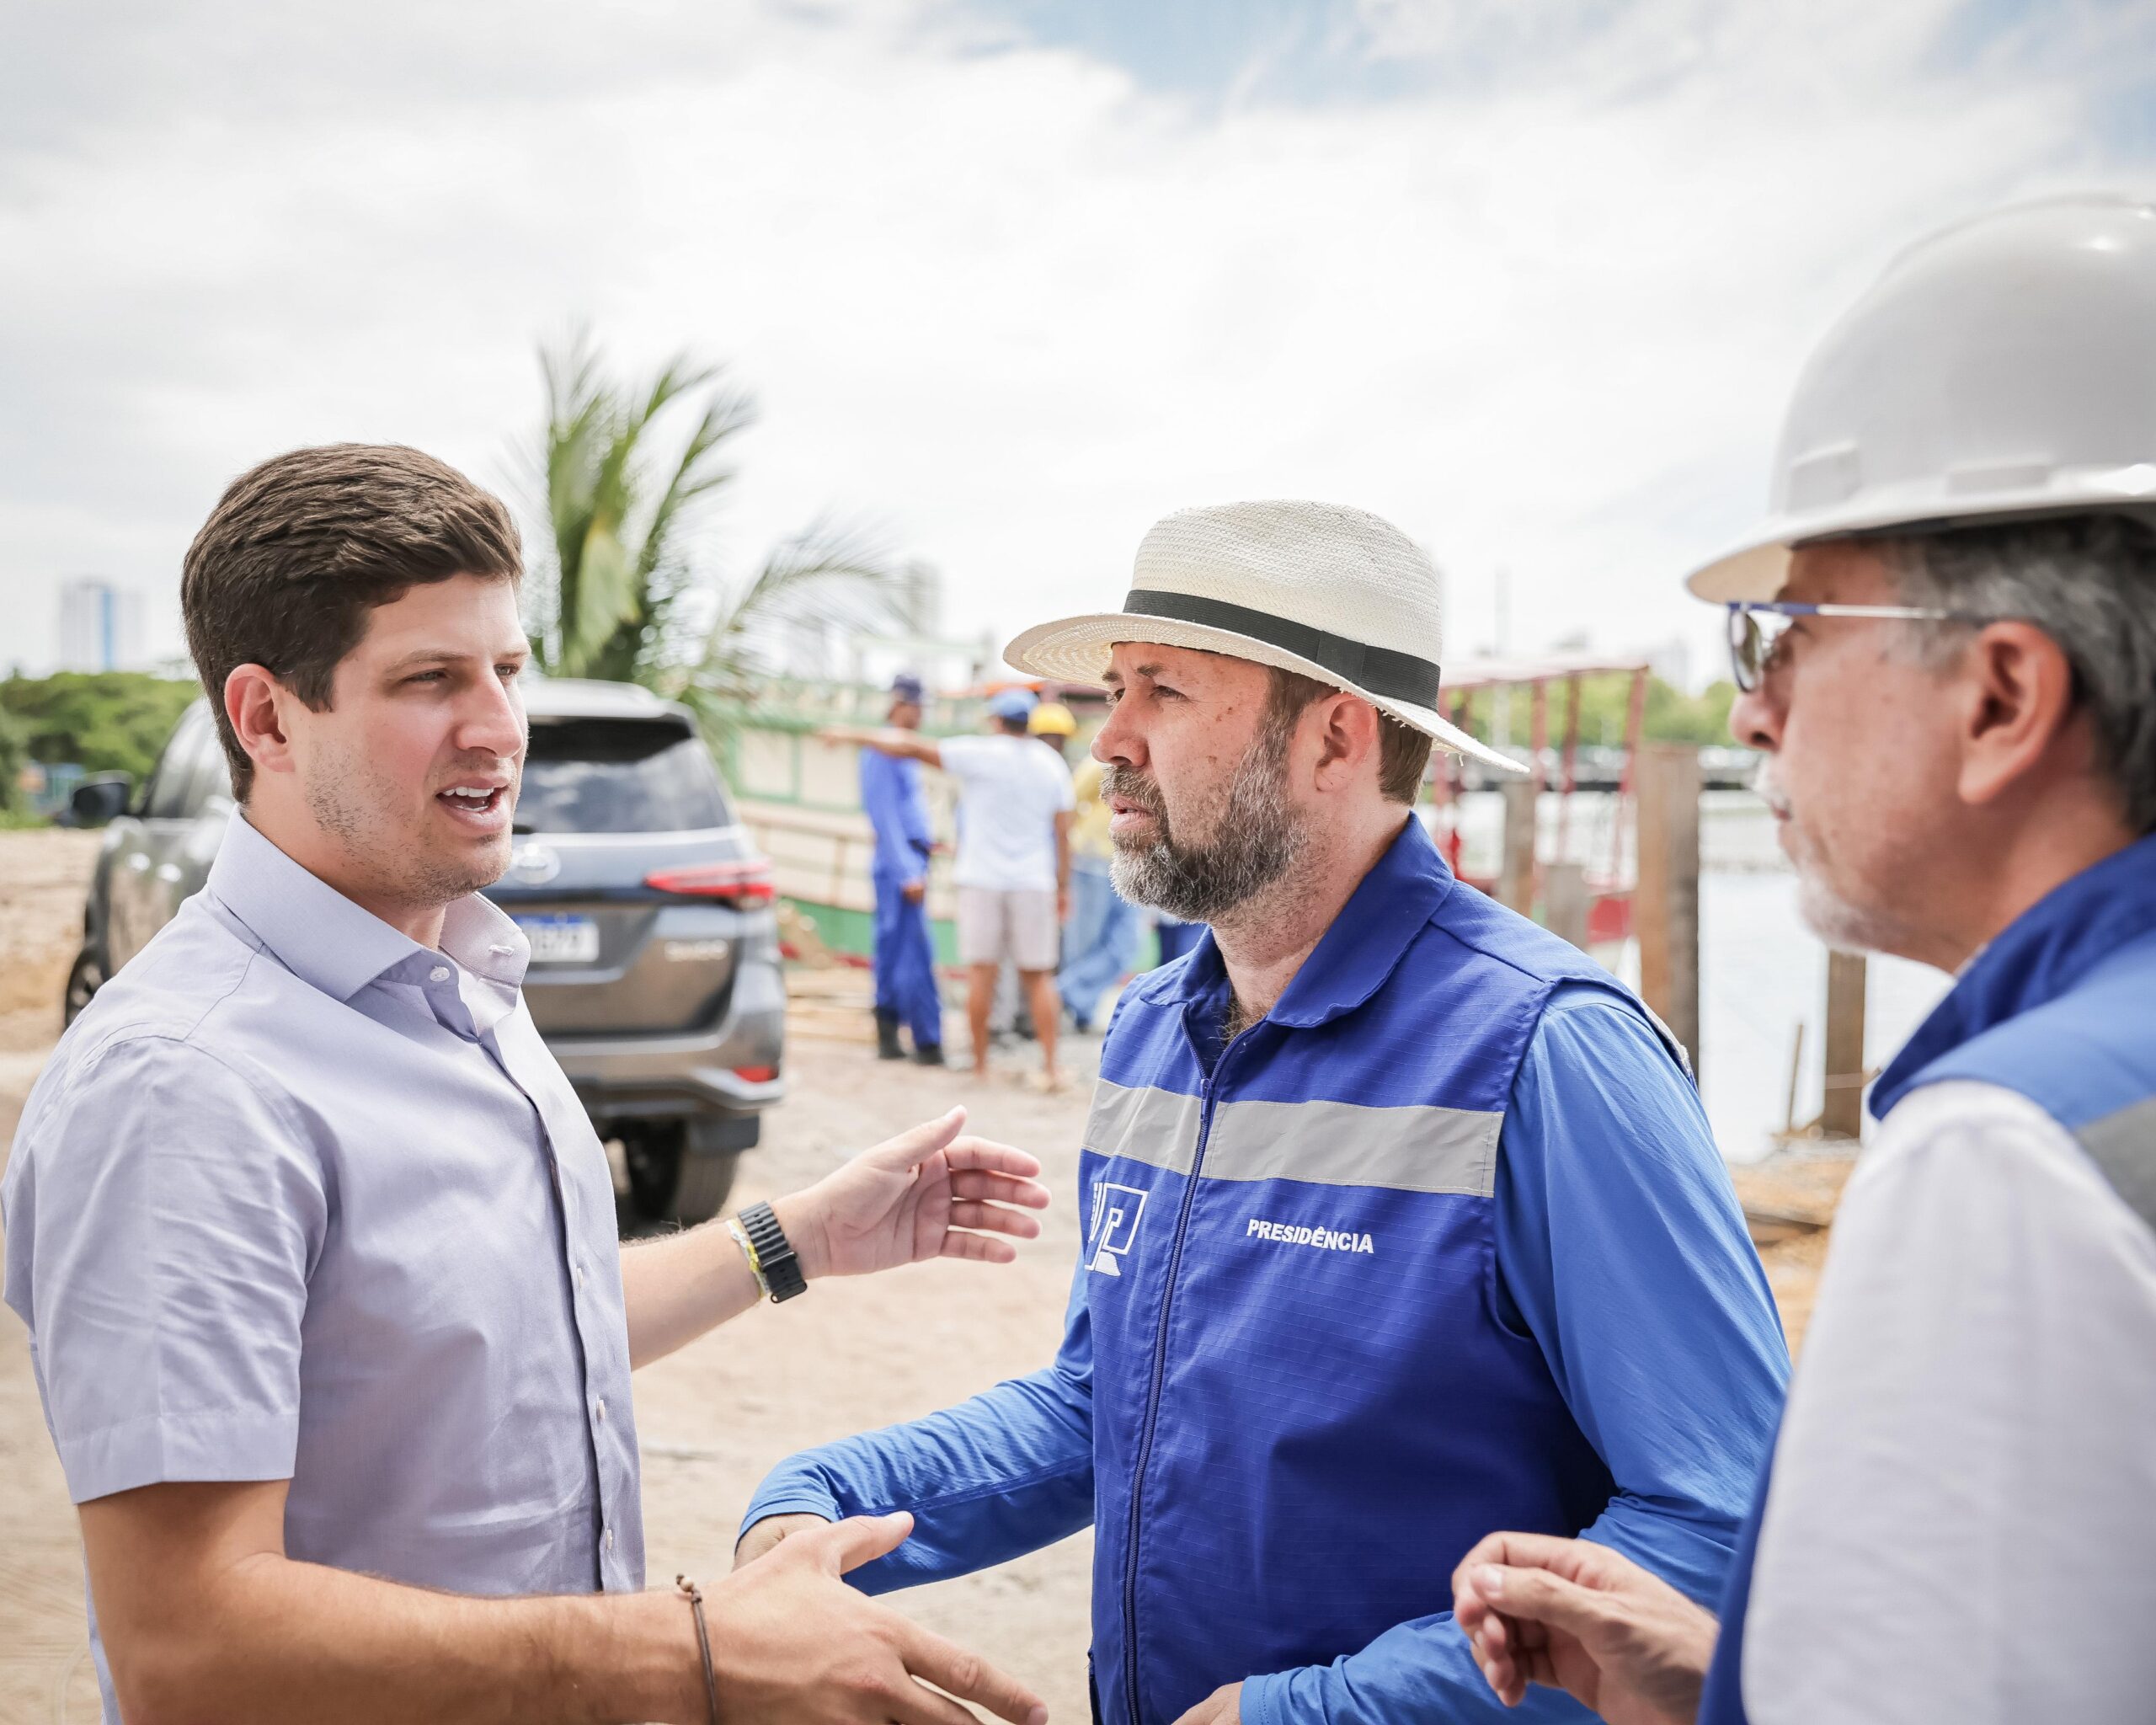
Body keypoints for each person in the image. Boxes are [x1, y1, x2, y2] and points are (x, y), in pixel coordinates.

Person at [0, 445, 1053, 1725]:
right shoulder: (182, 1087)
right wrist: (696, 1649)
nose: (500, 726)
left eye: (507, 669)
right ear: (267, 718)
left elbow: (486, 1333)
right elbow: (189, 1647)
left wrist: (795, 1238)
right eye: (430, 678)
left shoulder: (460, 977)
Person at [741, 500, 1790, 1725]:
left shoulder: (1550, 1054)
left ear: (1335, 737)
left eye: (1164, 691)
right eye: (1116, 690)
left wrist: (1312, 1712)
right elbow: (1106, 1402)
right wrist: (829, 1495)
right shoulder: (1149, 1033)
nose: (1109, 740)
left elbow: (1721, 1527)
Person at [1451, 196, 2156, 1725]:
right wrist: (1739, 1681)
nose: (1753, 710)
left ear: (2002, 695)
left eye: (1787, 632)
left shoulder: (2010, 1155)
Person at [827, 687, 1075, 1089]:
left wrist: (849, 734)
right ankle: (1051, 1067)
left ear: (996, 721)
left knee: (981, 973)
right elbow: (1063, 835)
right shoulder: (1051, 765)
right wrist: (1063, 888)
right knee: (1039, 977)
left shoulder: (979, 753)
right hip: (1034, 882)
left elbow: (908, 746)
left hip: (980, 880)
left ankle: (980, 1068)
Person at [862, 671, 944, 1064]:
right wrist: (907, 871)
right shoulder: (884, 749)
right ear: (900, 705)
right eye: (916, 706)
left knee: (899, 949)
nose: (921, 714)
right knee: (909, 952)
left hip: (909, 858)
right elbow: (884, 816)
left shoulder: (902, 749)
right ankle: (923, 1041)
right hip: (900, 864)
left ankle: (894, 1034)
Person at [1056, 748, 1141, 1033]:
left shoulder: (1150, 761)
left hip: (1132, 863)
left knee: (1127, 944)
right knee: (1083, 944)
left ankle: (1061, 993)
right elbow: (1067, 806)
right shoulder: (1101, 763)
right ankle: (1081, 1014)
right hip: (1091, 862)